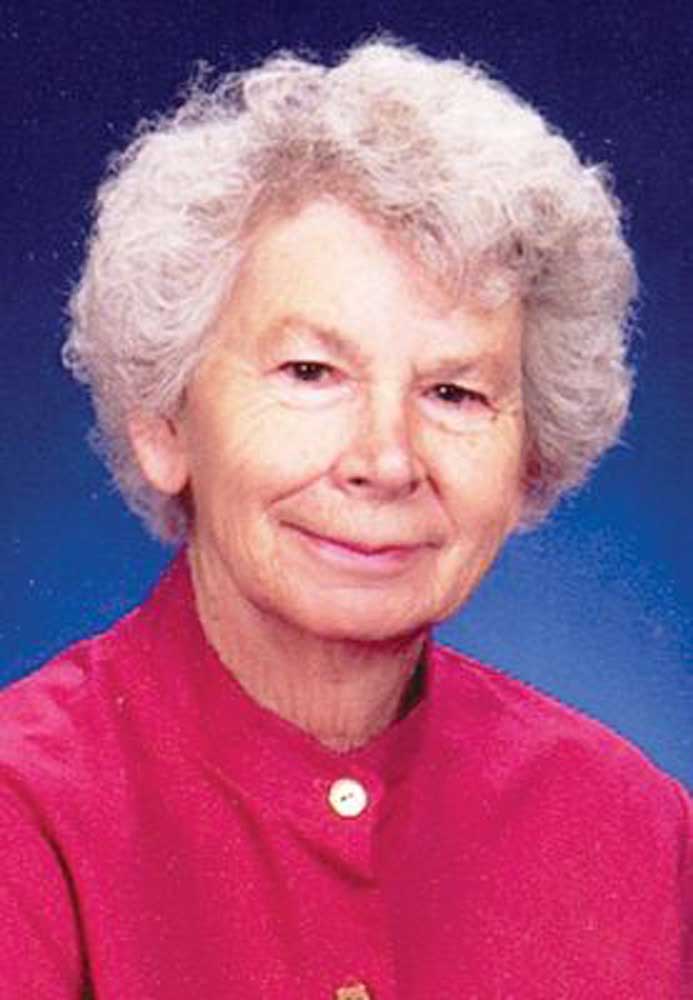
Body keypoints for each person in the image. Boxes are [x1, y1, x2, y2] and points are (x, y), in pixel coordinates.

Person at [1, 38, 690, 999]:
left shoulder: (632, 830)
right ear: (163, 423)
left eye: (454, 392)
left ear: (530, 457)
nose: (386, 460)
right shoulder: (26, 816)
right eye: (310, 373)